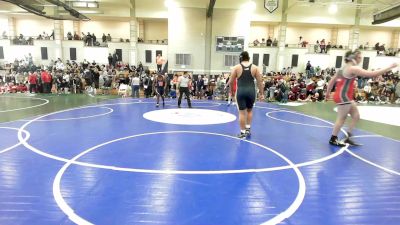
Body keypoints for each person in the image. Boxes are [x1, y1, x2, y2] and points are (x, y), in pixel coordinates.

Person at [326, 50, 398, 146]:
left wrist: (327, 93)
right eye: (359, 57)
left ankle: (348, 137)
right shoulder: (353, 68)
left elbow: (332, 81)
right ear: (353, 58)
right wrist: (389, 67)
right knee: (341, 118)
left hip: (344, 96)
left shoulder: (342, 68)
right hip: (343, 97)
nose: (361, 59)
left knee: (356, 116)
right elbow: (372, 74)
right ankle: (333, 138)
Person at [228, 51, 264, 139]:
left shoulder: (236, 68)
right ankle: (248, 128)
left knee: (242, 113)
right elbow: (260, 81)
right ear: (249, 58)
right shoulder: (255, 68)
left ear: (240, 58)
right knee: (249, 110)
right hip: (251, 91)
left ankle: (242, 132)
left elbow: (231, 82)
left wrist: (231, 92)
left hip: (241, 92)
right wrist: (262, 93)